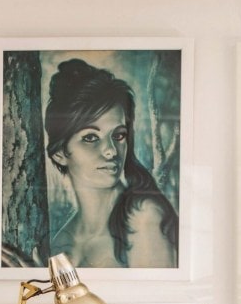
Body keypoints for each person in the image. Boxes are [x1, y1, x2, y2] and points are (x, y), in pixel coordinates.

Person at [43, 58, 178, 268]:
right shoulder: (59, 243)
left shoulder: (142, 218)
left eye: (118, 135)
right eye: (90, 137)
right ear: (60, 153)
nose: (110, 150)